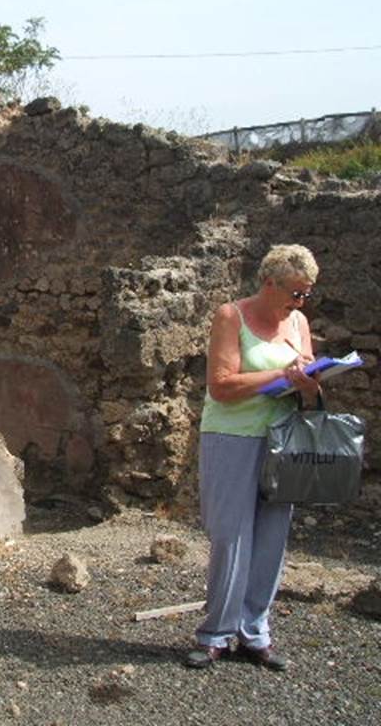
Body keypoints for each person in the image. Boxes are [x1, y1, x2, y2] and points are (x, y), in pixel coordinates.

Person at [186, 244, 321, 671]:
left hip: (281, 439)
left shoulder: (298, 321)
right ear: (269, 283)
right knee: (231, 534)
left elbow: (310, 372)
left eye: (306, 294)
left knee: (271, 537)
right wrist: (282, 375)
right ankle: (215, 633)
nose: (299, 303)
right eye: (294, 293)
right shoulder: (232, 317)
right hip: (232, 435)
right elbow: (222, 385)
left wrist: (310, 383)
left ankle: (254, 632)